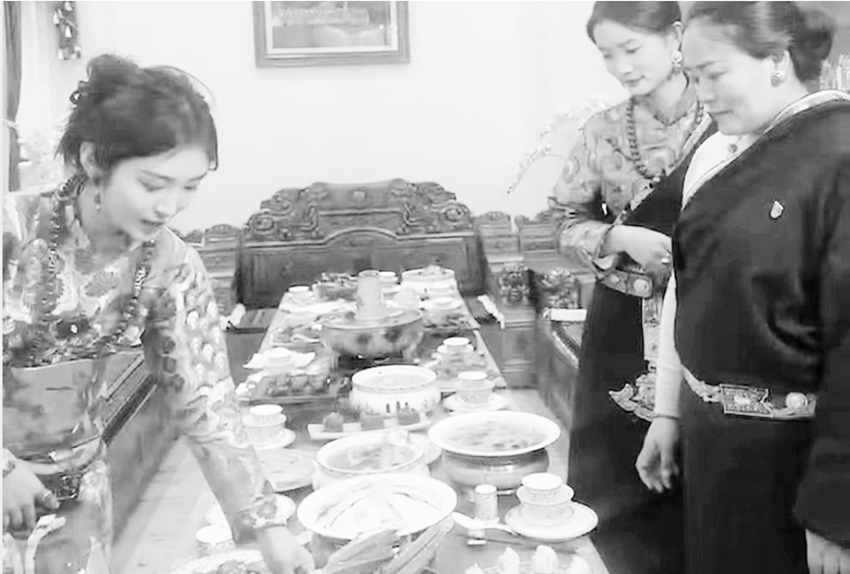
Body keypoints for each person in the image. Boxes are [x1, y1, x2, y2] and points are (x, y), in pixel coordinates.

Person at [1, 55, 315, 574]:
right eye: (152, 184)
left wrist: (268, 528)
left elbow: (206, 401)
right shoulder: (12, 232)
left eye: (189, 186)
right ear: (94, 160)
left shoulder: (171, 266)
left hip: (74, 495)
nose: (170, 206)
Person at [636, 2, 850, 573]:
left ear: (776, 60)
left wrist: (836, 510)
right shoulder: (718, 152)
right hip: (715, 438)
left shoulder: (838, 155)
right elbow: (690, 287)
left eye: (714, 73)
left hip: (793, 457)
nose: (702, 94)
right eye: (693, 76)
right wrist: (669, 411)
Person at [550, 2, 714, 573]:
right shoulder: (600, 131)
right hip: (622, 320)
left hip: (706, 317)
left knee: (702, 465)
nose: (621, 67)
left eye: (632, 49)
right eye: (607, 55)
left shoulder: (727, 116)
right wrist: (619, 235)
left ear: (675, 37)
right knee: (613, 468)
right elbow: (560, 223)